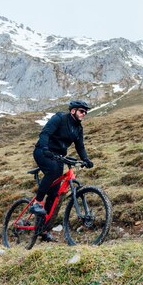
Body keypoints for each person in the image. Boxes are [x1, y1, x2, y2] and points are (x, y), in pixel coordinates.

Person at [30, 100, 94, 241]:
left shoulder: (78, 128)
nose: (84, 114)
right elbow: (45, 133)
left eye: (85, 112)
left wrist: (86, 159)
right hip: (42, 151)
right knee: (52, 171)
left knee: (54, 194)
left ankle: (43, 231)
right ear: (73, 111)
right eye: (82, 111)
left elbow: (80, 146)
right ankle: (37, 202)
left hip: (58, 156)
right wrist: (45, 148)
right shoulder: (59, 118)